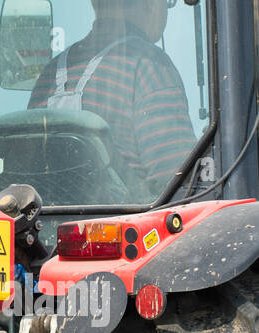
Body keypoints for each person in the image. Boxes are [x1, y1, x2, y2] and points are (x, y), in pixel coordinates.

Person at [28, 0, 197, 197]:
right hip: (126, 223)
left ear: (95, 4)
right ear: (150, 4)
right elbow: (178, 181)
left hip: (47, 223)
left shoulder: (50, 74)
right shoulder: (149, 64)